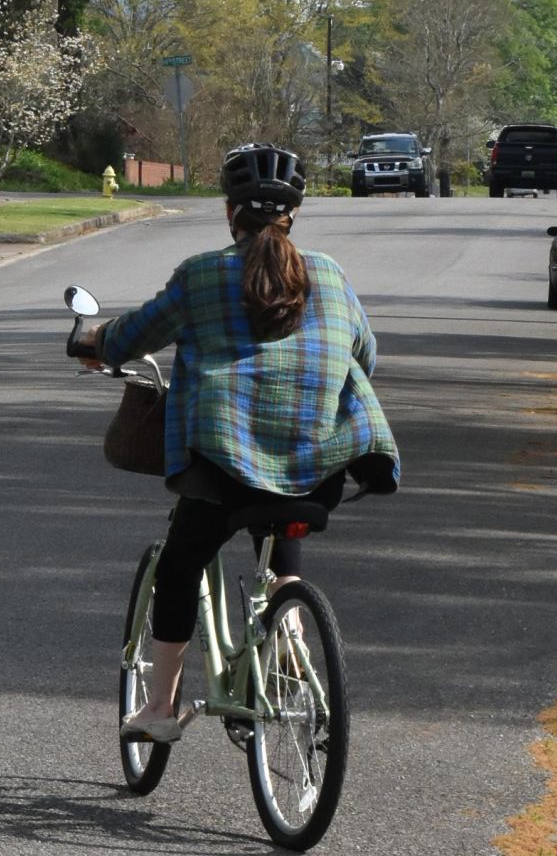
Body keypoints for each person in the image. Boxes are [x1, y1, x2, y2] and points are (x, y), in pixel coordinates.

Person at [95, 141, 398, 742]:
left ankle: (158, 711)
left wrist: (94, 341)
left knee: (181, 565)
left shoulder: (202, 274)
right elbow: (367, 354)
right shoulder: (329, 274)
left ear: (230, 212)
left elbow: (127, 338)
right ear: (293, 215)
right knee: (282, 517)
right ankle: (288, 632)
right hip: (321, 463)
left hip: (222, 465)